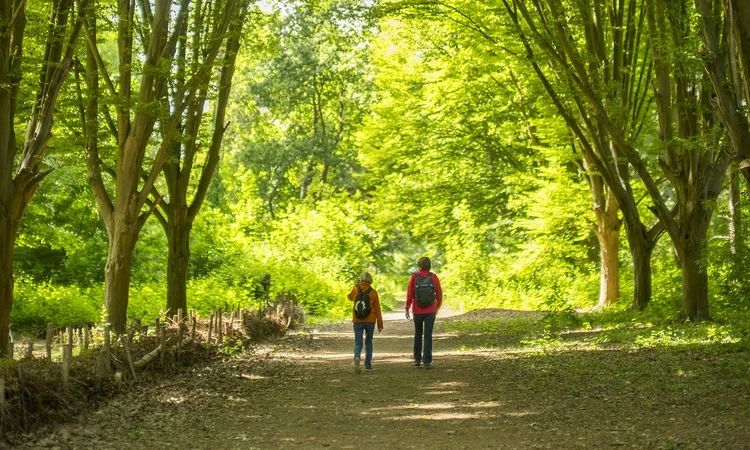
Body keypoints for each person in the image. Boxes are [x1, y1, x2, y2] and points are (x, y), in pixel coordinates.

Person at [405, 256, 442, 369]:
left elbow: (410, 294)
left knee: (418, 334)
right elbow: (439, 294)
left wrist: (407, 307)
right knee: (428, 335)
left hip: (417, 310)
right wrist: (437, 307)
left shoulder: (414, 277)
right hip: (430, 311)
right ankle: (427, 361)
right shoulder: (433, 277)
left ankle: (417, 359)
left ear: (419, 265)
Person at [347, 271, 383, 374]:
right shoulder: (373, 292)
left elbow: (349, 297)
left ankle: (357, 357)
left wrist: (356, 285)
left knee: (358, 342)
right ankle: (368, 364)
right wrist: (380, 325)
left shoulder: (355, 290)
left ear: (361, 279)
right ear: (370, 280)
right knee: (369, 341)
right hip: (370, 320)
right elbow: (377, 309)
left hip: (357, 320)